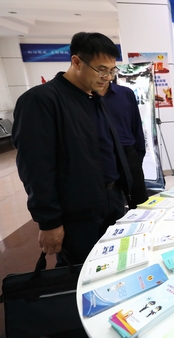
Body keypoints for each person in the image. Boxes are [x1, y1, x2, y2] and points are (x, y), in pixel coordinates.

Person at [12, 32, 131, 266]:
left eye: (112, 71)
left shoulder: (94, 99)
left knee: (115, 265)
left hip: (112, 202)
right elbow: (36, 169)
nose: (108, 77)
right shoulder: (41, 100)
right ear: (76, 61)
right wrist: (49, 221)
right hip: (77, 214)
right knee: (81, 272)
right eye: (101, 70)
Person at [98, 78, 148, 208]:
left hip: (128, 152)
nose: (106, 76)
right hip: (102, 156)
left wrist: (138, 155)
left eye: (110, 71)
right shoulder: (86, 97)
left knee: (139, 203)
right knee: (110, 203)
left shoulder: (125, 93)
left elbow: (136, 125)